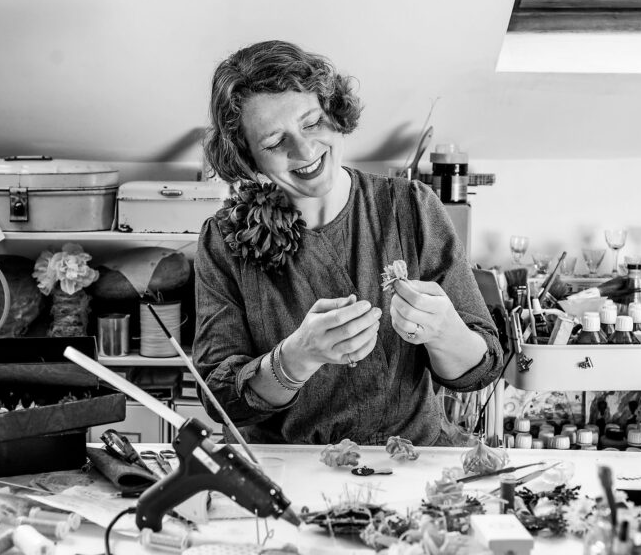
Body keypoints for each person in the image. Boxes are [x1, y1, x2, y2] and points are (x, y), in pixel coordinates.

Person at [193, 40, 504, 445]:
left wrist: (444, 331)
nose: (304, 150)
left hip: (408, 461)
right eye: (273, 143)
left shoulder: (411, 208)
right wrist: (296, 358)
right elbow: (221, 398)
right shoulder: (225, 240)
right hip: (288, 473)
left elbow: (480, 371)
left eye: (311, 122)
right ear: (247, 158)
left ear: (334, 112)